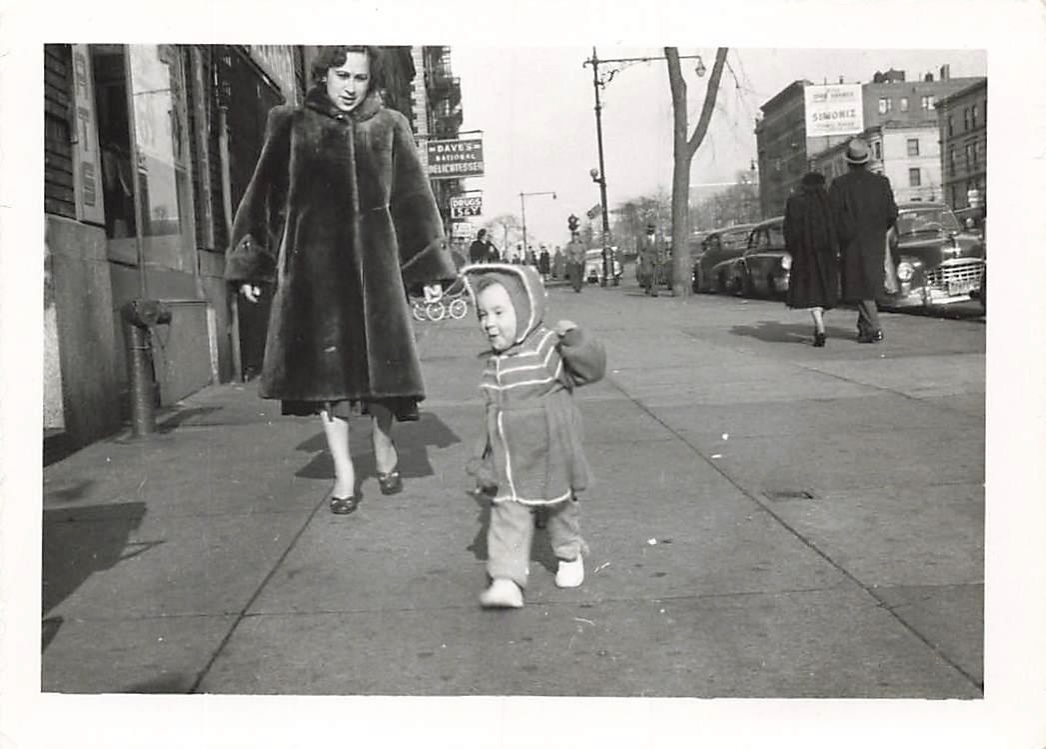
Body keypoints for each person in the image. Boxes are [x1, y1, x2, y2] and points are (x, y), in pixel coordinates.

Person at [226, 45, 457, 515]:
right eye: (342, 75)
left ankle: (384, 443)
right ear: (322, 75)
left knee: (383, 378)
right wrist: (254, 262)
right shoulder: (289, 124)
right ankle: (345, 473)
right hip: (315, 275)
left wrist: (426, 270)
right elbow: (263, 197)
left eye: (360, 78)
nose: (350, 87)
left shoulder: (391, 126)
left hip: (377, 273)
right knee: (326, 382)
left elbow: (413, 200)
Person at [461, 263, 606, 608]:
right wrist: (484, 457)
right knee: (508, 510)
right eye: (483, 314)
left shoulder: (545, 347)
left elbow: (590, 370)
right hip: (512, 456)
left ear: (525, 308)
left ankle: (569, 555)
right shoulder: (495, 362)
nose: (489, 323)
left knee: (559, 507)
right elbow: (491, 413)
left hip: (551, 449)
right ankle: (507, 578)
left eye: (499, 312)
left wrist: (576, 343)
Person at [828, 138, 898, 343]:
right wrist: (877, 229)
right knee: (868, 284)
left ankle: (874, 327)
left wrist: (842, 235)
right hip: (875, 242)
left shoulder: (839, 185)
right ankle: (864, 328)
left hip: (851, 243)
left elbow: (833, 216)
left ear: (848, 162)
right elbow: (892, 213)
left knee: (860, 286)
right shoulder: (881, 183)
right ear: (867, 161)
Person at [784, 172, 840, 347]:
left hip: (804, 255)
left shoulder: (794, 203)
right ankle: (819, 325)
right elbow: (838, 226)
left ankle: (820, 328)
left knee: (812, 293)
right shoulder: (829, 202)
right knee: (823, 293)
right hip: (827, 254)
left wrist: (793, 250)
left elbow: (789, 231)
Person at [637, 224, 661, 297]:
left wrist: (662, 257)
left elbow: (662, 247)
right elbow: (639, 248)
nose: (651, 229)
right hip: (646, 257)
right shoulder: (642, 237)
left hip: (656, 257)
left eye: (652, 228)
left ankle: (654, 291)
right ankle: (647, 287)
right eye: (649, 228)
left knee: (655, 275)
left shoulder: (658, 238)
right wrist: (642, 256)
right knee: (647, 273)